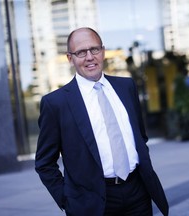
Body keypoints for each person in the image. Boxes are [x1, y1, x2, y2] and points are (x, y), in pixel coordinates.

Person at [35, 27, 169, 216]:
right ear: (70, 58)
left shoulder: (126, 87)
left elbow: (140, 137)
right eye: (81, 52)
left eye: (94, 49)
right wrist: (67, 199)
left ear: (103, 51)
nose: (90, 57)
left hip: (138, 192)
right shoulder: (56, 103)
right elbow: (44, 163)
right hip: (93, 203)